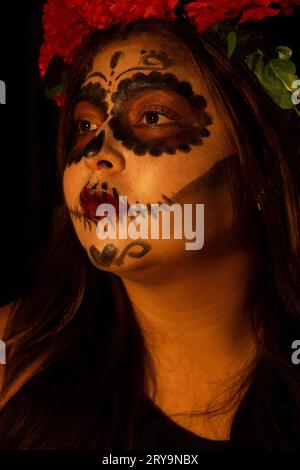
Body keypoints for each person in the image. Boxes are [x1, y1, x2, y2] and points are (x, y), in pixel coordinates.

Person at [0, 0, 300, 450]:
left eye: (152, 117)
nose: (96, 153)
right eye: (84, 125)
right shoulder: (12, 353)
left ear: (260, 168)